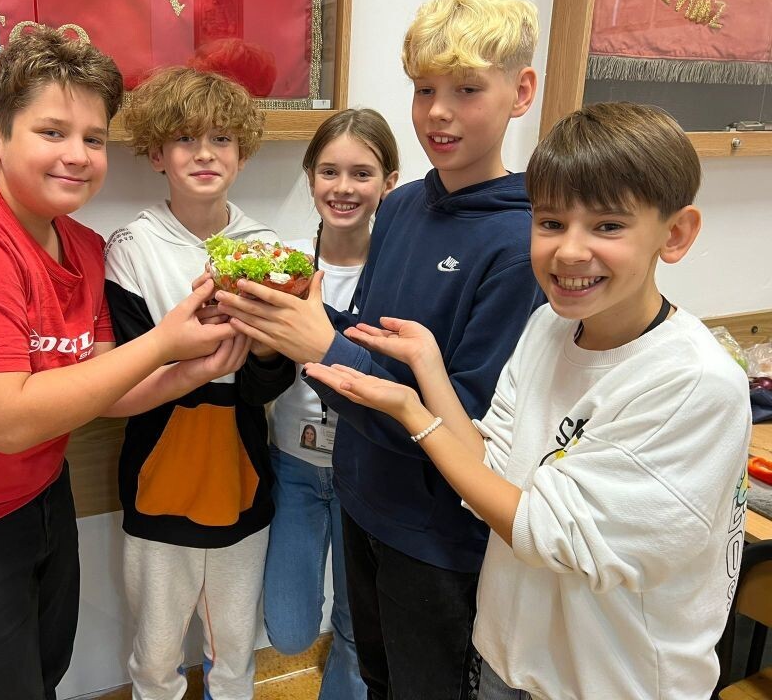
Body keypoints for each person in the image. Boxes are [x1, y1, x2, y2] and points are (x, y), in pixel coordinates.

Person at [304, 102, 752, 700]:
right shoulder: (548, 327)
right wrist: (429, 368)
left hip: (609, 682)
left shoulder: (693, 382)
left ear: (674, 234)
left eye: (608, 226)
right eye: (551, 223)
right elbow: (489, 460)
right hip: (508, 659)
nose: (570, 251)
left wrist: (412, 411)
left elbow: (547, 531)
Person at [0, 28, 240, 700]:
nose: (77, 155)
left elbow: (105, 387)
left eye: (93, 138)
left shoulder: (81, 245)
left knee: (42, 675)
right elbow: (6, 422)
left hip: (38, 492)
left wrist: (191, 370)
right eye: (52, 132)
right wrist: (163, 344)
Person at [215, 0, 544, 699]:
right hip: (361, 497)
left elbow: (470, 424)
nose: (438, 112)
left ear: (521, 92)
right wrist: (279, 316)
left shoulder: (522, 243)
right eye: (424, 90)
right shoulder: (400, 208)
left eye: (466, 89)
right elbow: (367, 340)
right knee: (372, 673)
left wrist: (319, 345)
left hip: (437, 535)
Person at [103, 66, 296, 700]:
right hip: (159, 476)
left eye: (222, 139)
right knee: (156, 656)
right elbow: (127, 372)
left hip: (243, 474)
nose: (205, 153)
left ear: (243, 153)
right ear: (157, 153)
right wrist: (199, 354)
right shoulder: (132, 246)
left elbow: (271, 381)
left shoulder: (266, 247)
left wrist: (262, 346)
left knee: (235, 652)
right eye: (186, 138)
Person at [263, 108, 399, 700]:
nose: (343, 188)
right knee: (289, 630)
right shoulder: (284, 261)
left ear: (389, 182)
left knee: (354, 626)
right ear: (310, 176)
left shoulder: (399, 269)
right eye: (329, 171)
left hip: (365, 470)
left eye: (362, 174)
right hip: (293, 465)